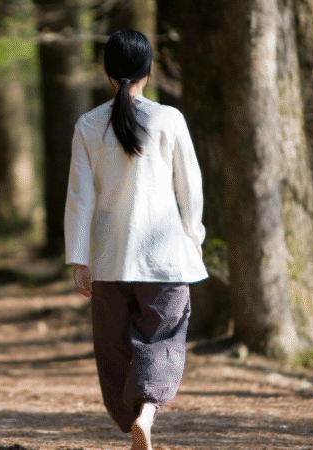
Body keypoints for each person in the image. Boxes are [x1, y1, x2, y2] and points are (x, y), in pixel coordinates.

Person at [64, 29, 208, 450]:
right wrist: (193, 236)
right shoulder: (169, 119)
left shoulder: (89, 125)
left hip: (109, 260)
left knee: (113, 350)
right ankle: (147, 412)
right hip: (165, 259)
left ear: (107, 73)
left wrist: (79, 258)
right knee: (161, 338)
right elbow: (190, 188)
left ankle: (130, 419)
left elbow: (79, 197)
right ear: (149, 71)